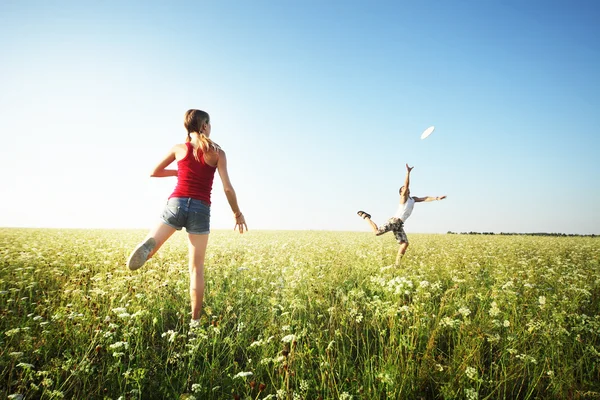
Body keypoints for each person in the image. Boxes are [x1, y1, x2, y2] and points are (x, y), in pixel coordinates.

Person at [127, 109, 247, 325]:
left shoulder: (179, 149)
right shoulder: (217, 152)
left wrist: (177, 172)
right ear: (204, 126)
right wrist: (237, 213)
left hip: (176, 203)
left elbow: (154, 171)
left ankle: (149, 246)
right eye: (209, 124)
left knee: (152, 245)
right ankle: (195, 322)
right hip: (200, 209)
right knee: (196, 269)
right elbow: (227, 188)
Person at [357, 163, 446, 265]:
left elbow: (425, 198)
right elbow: (407, 184)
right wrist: (408, 173)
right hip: (394, 221)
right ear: (401, 193)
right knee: (376, 232)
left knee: (404, 243)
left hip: (399, 224)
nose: (406, 189)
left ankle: (397, 264)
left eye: (406, 189)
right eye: (403, 189)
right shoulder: (403, 198)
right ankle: (366, 217)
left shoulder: (413, 199)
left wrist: (437, 198)